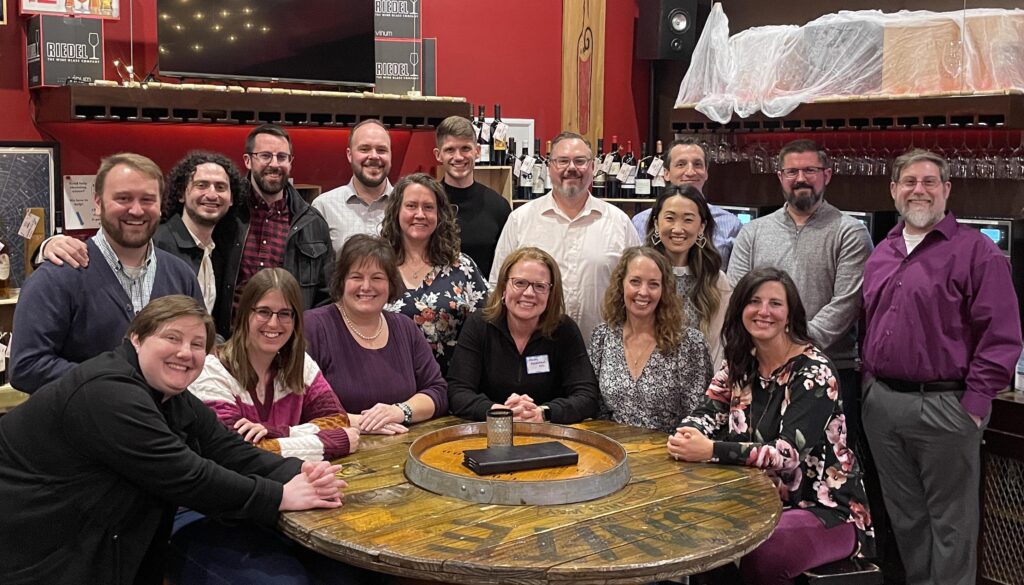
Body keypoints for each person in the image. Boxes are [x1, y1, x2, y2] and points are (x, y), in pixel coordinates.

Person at [0, 295, 347, 585]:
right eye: (172, 338)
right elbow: (188, 476)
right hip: (39, 552)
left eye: (197, 344)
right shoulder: (109, 393)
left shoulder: (170, 397)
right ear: (136, 338)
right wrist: (280, 495)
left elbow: (227, 449)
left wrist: (299, 472)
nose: (186, 352)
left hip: (94, 540)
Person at [861, 149, 1021, 585]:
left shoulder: (977, 253)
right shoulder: (883, 252)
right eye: (909, 181)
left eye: (930, 181)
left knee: (951, 525)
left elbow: (1002, 336)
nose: (919, 189)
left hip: (946, 407)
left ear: (946, 190)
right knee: (907, 519)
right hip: (883, 406)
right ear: (894, 190)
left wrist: (972, 406)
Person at [669, 268, 873, 585]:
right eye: (754, 301)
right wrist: (687, 434)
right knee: (695, 530)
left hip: (824, 509)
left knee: (761, 550)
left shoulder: (814, 371)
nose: (764, 311)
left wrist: (709, 450)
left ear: (790, 315)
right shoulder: (740, 360)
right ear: (740, 311)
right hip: (753, 500)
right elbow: (707, 409)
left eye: (775, 303)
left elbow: (787, 455)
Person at [40, 125, 336, 339]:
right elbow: (123, 239)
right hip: (218, 349)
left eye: (282, 157)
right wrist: (50, 246)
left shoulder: (310, 220)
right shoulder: (221, 223)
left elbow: (324, 297)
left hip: (275, 345)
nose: (212, 195)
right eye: (265, 155)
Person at [11, 153, 203, 393]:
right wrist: (118, 384)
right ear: (98, 202)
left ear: (160, 204)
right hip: (81, 428)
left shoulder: (182, 276)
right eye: (123, 198)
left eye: (147, 199)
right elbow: (26, 368)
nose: (136, 210)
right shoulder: (57, 277)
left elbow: (196, 352)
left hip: (160, 428)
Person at [726, 139, 872, 448]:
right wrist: (770, 354)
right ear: (780, 177)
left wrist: (791, 351)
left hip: (829, 371)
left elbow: (845, 304)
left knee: (818, 473)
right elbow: (737, 297)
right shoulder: (753, 232)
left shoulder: (850, 232)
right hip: (759, 372)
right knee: (761, 464)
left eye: (810, 170)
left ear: (827, 175)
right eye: (791, 171)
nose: (801, 178)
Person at [189, 268, 359, 461]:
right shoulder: (212, 372)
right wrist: (335, 442)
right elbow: (232, 453)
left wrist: (274, 433)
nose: (273, 323)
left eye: (285, 314)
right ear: (244, 314)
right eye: (263, 312)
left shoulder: (300, 365)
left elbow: (338, 421)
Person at [490, 131, 641, 344]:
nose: (571, 168)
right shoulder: (520, 220)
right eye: (562, 161)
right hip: (534, 349)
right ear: (550, 167)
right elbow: (497, 287)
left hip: (602, 351)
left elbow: (637, 289)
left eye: (580, 161)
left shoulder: (619, 223)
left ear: (593, 167)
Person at [304, 234, 447, 434]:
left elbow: (437, 391)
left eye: (377, 278)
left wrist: (400, 411)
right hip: (332, 452)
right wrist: (361, 423)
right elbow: (297, 404)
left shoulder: (405, 328)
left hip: (397, 448)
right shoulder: (312, 327)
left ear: (390, 284)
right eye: (356, 277)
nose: (366, 287)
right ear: (341, 281)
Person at [448, 246, 600, 424]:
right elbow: (457, 391)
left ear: (551, 293)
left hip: (548, 435)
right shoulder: (479, 325)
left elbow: (587, 396)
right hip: (488, 432)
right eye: (520, 283)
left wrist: (543, 413)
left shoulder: (564, 329)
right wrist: (498, 412)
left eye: (540, 286)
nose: (529, 293)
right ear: (504, 286)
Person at [590, 246, 712, 433]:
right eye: (635, 282)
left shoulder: (689, 343)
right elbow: (596, 410)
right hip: (615, 450)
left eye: (653, 284)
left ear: (664, 290)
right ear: (621, 284)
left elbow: (699, 417)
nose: (643, 292)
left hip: (670, 454)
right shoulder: (602, 337)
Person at [379, 173, 488, 375]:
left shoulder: (462, 267)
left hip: (453, 386)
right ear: (396, 211)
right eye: (411, 206)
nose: (420, 214)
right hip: (389, 383)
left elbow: (488, 324)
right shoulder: (378, 266)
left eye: (428, 207)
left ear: (440, 215)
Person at [644, 184, 732, 366]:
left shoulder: (715, 280)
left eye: (688, 220)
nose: (677, 229)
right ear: (656, 222)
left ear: (701, 226)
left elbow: (717, 347)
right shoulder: (640, 275)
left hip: (699, 385)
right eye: (669, 218)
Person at [153, 150, 245, 313]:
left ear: (231, 199)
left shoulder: (222, 250)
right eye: (201, 185)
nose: (212, 194)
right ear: (181, 193)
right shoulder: (157, 244)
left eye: (220, 187)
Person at [630, 137, 743, 268]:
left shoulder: (731, 224)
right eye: (681, 164)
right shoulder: (640, 222)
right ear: (666, 173)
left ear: (706, 173)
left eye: (697, 164)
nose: (690, 172)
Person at [434, 115, 511, 276]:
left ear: (477, 152)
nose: (459, 157)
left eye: (465, 148)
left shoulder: (499, 207)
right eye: (450, 150)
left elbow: (506, 266)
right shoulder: (428, 205)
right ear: (438, 155)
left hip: (485, 300)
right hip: (431, 300)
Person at [312, 119, 394, 253]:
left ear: (390, 154)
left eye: (381, 150)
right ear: (349, 155)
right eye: (364, 149)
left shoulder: (406, 205)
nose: (374, 156)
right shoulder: (323, 207)